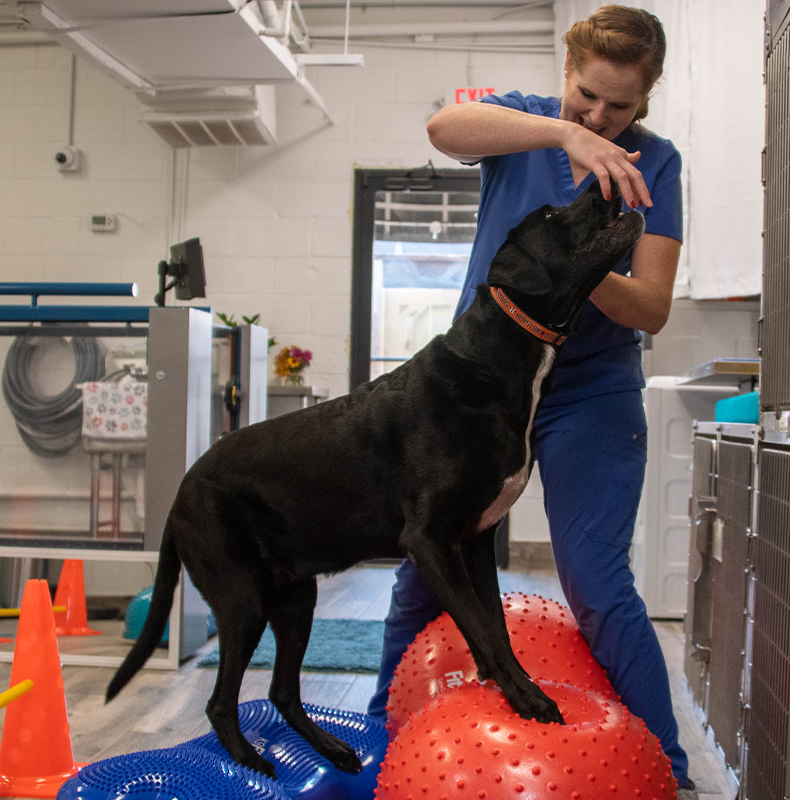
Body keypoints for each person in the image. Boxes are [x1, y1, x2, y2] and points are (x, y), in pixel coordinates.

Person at [367, 5, 698, 797]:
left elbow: (651, 308)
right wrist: (564, 134)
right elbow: (444, 129)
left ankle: (673, 776)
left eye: (619, 106)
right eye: (588, 95)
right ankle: (384, 740)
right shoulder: (522, 123)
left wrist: (577, 266)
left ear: (645, 99)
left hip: (591, 388)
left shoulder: (657, 163)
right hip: (477, 385)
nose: (601, 115)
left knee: (595, 582)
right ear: (567, 71)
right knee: (428, 558)